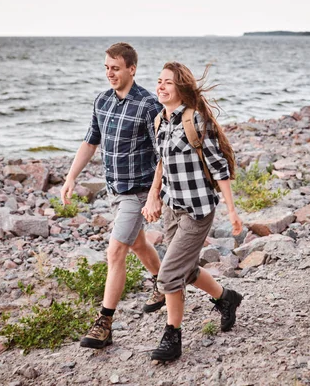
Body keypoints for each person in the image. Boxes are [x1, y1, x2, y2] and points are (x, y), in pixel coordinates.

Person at [60, 43, 165, 350]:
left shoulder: (148, 104)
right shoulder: (102, 101)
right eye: (106, 67)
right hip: (115, 190)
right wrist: (70, 177)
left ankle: (104, 323)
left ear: (132, 69)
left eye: (115, 68)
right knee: (136, 242)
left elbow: (163, 154)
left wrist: (154, 195)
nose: (110, 73)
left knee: (116, 250)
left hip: (140, 190)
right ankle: (166, 283)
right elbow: (90, 142)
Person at [141, 61, 244, 362]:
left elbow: (219, 168)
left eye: (167, 82)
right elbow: (161, 162)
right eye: (158, 81)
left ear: (181, 88)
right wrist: (154, 196)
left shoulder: (196, 121)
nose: (160, 86)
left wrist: (232, 211)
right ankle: (227, 299)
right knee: (185, 271)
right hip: (173, 207)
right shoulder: (160, 121)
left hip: (198, 210)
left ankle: (172, 337)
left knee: (169, 275)